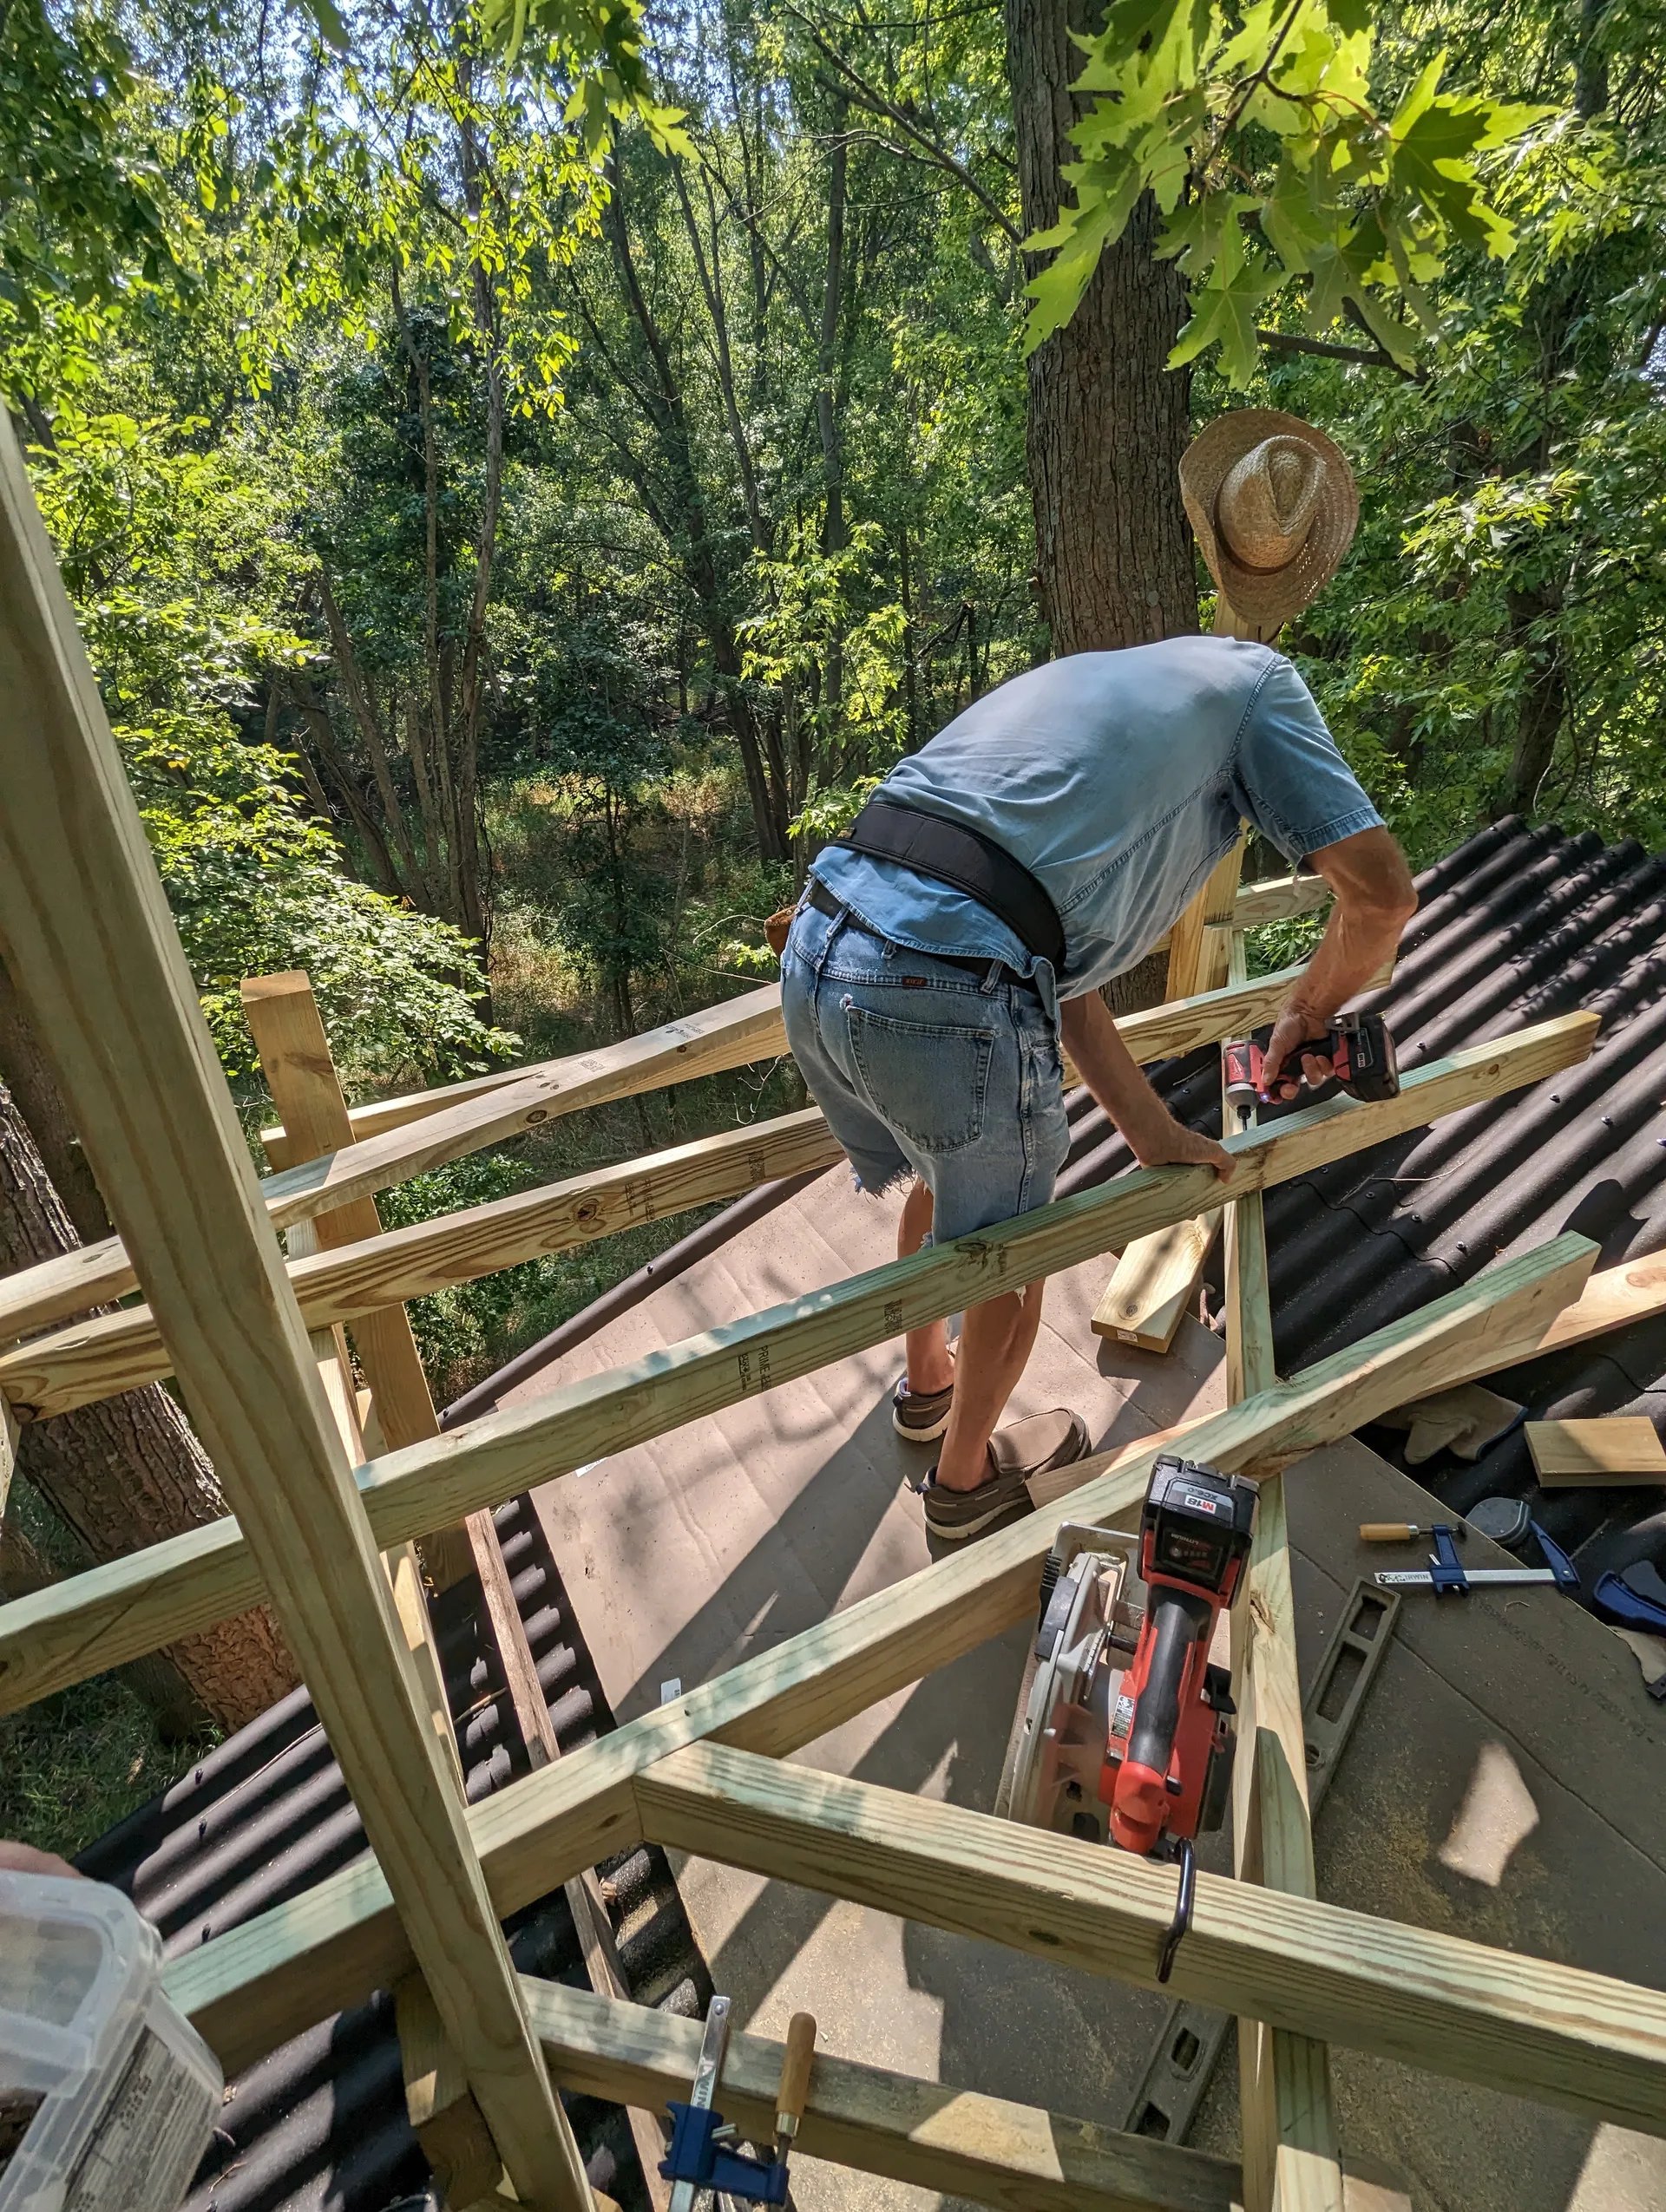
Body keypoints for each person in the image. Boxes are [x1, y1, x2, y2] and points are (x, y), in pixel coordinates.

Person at [780, 633, 1417, 1541]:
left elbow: (1047, 960)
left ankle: (928, 1388)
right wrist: (1308, 1008)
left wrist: (1154, 1134)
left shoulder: (1111, 686)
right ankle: (964, 1492)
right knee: (1011, 1249)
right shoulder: (1260, 689)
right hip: (942, 985)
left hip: (821, 942)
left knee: (944, 1159)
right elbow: (1383, 897)